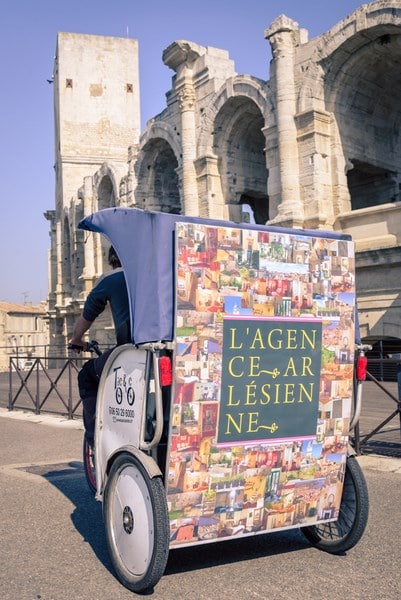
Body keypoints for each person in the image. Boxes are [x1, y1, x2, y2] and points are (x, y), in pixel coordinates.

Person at [69, 246, 131, 446]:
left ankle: (94, 438)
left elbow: (87, 317)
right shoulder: (152, 275)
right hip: (165, 347)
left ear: (112, 259)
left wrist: (76, 340)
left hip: (130, 349)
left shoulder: (110, 279)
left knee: (86, 375)